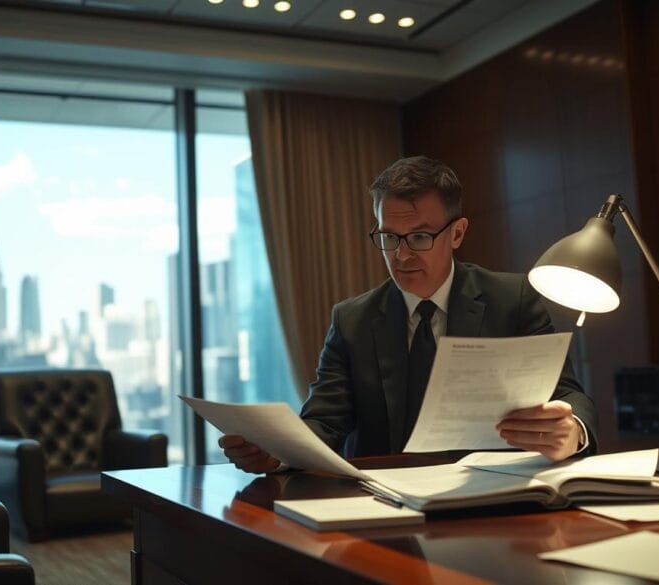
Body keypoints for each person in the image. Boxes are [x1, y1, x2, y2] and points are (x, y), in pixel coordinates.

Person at [219, 156, 597, 473]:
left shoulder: (512, 299)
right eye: (388, 238)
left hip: (493, 496)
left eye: (419, 237)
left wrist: (572, 430)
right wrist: (277, 454)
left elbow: (567, 393)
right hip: (384, 504)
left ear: (457, 233)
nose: (400, 256)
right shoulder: (352, 320)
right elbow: (324, 421)